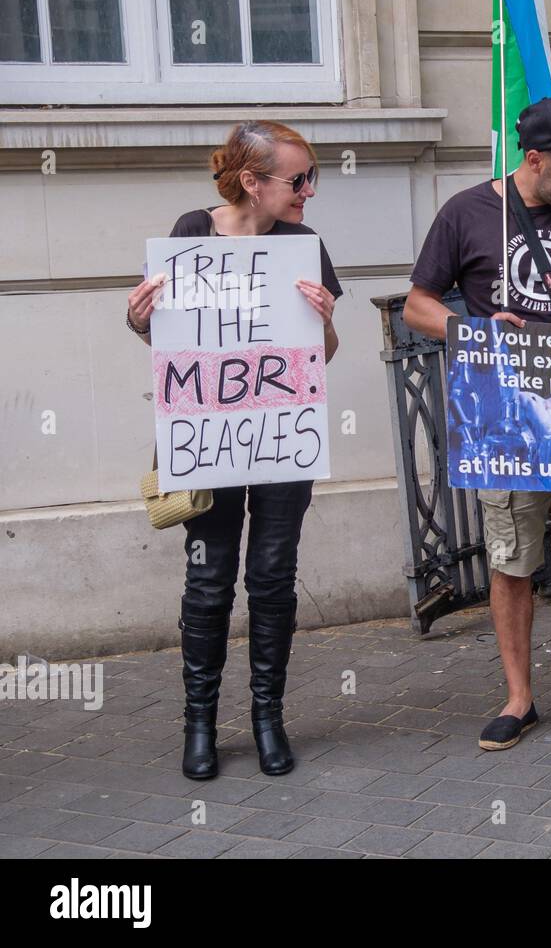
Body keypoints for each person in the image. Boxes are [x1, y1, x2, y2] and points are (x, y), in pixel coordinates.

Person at [403, 96, 551, 750]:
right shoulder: (466, 212)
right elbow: (417, 307)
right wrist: (470, 328)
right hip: (507, 415)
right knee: (512, 560)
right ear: (534, 159)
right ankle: (519, 699)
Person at [125, 120, 343, 779]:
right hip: (212, 438)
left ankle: (267, 718)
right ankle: (200, 726)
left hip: (281, 439)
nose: (309, 190)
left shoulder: (304, 245)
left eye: (313, 177)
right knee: (209, 579)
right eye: (298, 179)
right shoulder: (192, 232)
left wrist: (326, 322)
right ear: (251, 181)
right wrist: (141, 320)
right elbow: (174, 348)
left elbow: (320, 358)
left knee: (273, 579)